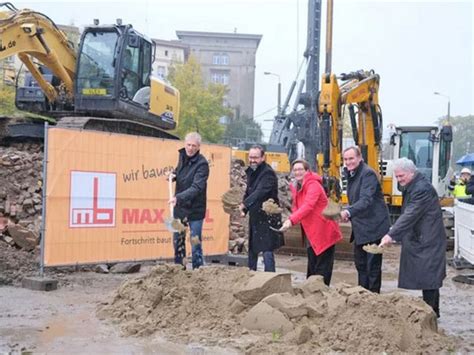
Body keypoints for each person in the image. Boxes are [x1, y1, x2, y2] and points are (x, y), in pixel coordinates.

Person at [380, 158, 446, 318]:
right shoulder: (413, 185)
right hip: (423, 236)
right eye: (397, 176)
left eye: (401, 176)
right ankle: (433, 313)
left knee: (429, 278)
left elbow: (411, 214)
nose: (399, 179)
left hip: (428, 239)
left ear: (412, 172)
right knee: (429, 278)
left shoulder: (421, 189)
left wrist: (391, 234)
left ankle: (431, 315)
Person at [280, 159, 342, 286]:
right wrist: (289, 219)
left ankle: (320, 295)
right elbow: (296, 207)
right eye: (295, 170)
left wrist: (291, 221)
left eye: (300, 169)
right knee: (312, 266)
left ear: (307, 171)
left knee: (322, 269)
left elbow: (308, 206)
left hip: (324, 231)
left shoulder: (313, 185)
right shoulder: (297, 186)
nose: (297, 172)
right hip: (312, 233)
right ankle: (311, 294)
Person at [339, 146, 390, 293]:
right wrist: (350, 213)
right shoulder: (351, 174)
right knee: (360, 264)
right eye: (346, 159)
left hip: (374, 227)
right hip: (361, 226)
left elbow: (366, 200)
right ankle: (362, 294)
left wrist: (348, 212)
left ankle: (373, 297)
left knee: (372, 266)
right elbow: (355, 199)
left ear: (360, 158)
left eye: (351, 158)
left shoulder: (367, 174)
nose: (348, 162)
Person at [239, 145, 284, 272]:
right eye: (250, 157)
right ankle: (251, 274)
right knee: (253, 249)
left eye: (256, 157)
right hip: (255, 216)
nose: (252, 160)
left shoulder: (268, 173)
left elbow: (260, 192)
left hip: (268, 217)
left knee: (267, 249)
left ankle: (270, 277)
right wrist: (245, 209)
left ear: (263, 157)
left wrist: (245, 204)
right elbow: (249, 191)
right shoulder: (252, 171)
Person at [170, 132, 209, 269]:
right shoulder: (182, 156)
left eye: (193, 146)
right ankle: (178, 268)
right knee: (177, 239)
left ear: (198, 147)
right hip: (179, 208)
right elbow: (180, 171)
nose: (190, 148)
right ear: (184, 144)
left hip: (195, 211)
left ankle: (198, 270)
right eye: (188, 145)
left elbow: (197, 187)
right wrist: (173, 175)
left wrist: (178, 197)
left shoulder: (202, 164)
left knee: (195, 242)